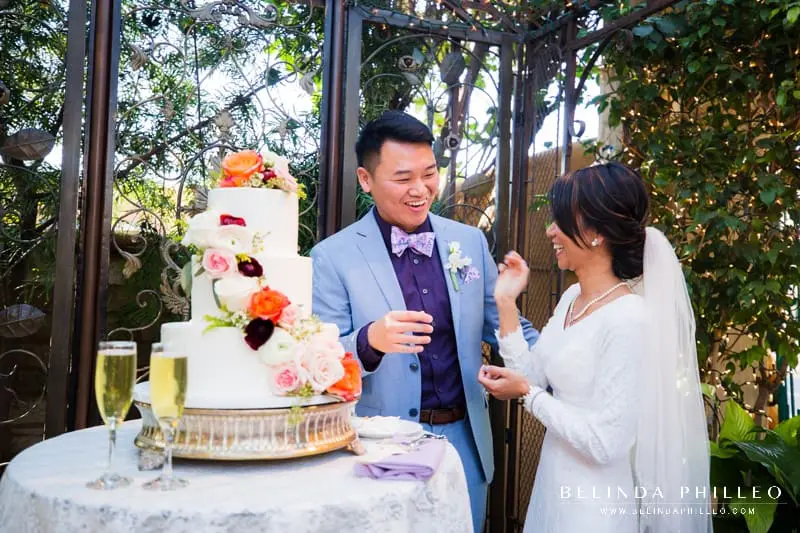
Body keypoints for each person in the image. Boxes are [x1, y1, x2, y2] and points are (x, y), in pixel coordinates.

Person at [311, 110, 539, 532]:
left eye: (429, 174)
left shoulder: (467, 242)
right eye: (402, 178)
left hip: (465, 443)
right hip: (379, 446)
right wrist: (369, 341)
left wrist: (563, 362)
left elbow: (507, 326)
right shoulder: (333, 256)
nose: (420, 190)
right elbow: (317, 360)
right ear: (366, 179)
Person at [478, 162, 712, 533]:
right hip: (552, 486)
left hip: (594, 507)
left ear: (596, 232)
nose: (550, 231)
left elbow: (607, 442)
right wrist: (505, 303)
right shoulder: (572, 297)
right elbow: (532, 374)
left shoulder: (630, 319)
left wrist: (529, 395)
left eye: (560, 221)